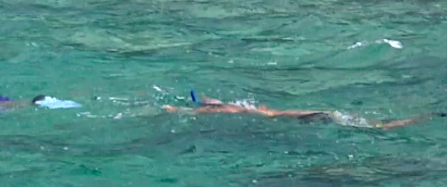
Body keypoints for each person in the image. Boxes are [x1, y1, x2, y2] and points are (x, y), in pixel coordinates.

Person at [163, 95, 426, 130]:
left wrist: (179, 110)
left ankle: (423, 117)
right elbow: (223, 107)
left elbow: (224, 109)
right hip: (319, 112)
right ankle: (424, 117)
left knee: (378, 128)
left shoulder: (246, 110)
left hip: (315, 116)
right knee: (378, 126)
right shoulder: (261, 109)